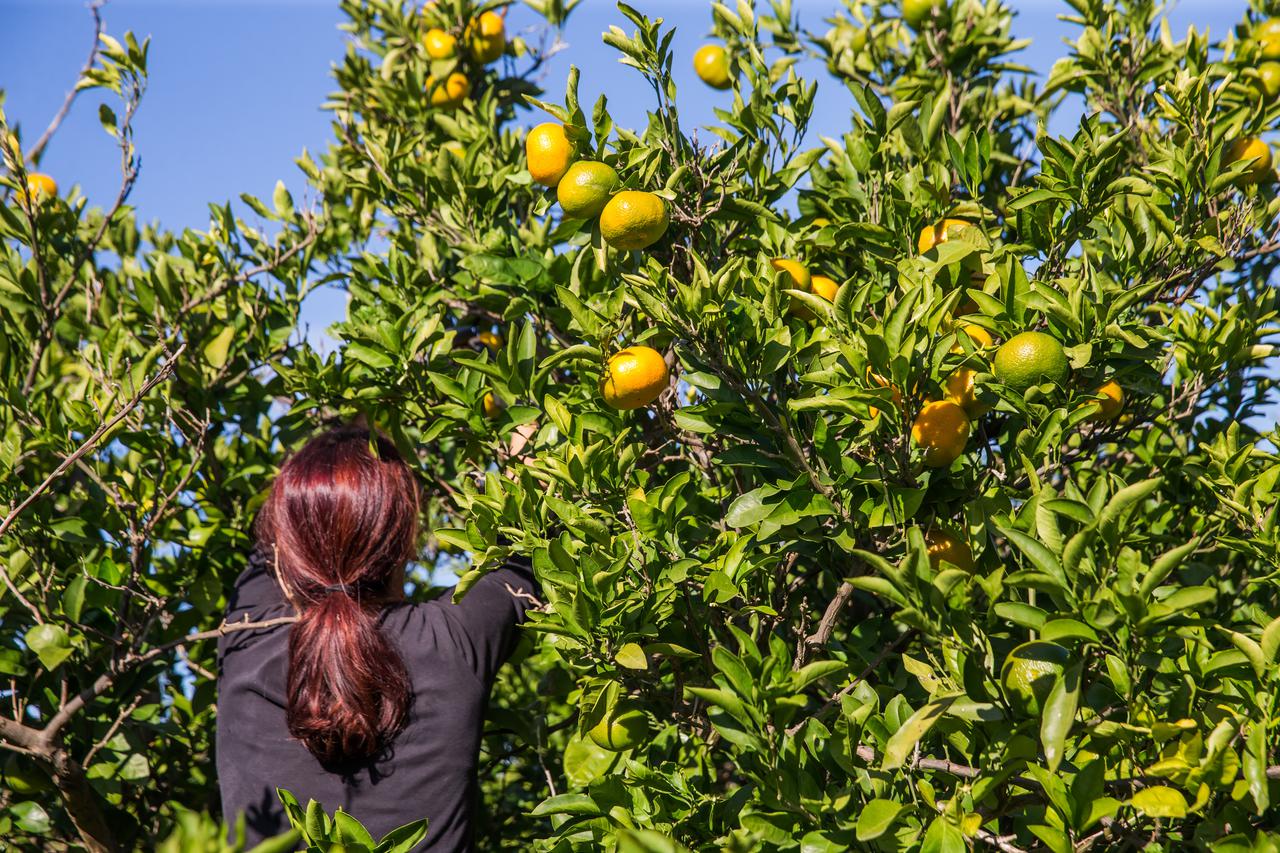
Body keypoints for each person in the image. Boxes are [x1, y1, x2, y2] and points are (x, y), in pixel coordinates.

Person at [216, 426, 538, 851]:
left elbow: (269, 553)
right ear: (406, 540)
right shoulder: (455, 639)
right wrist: (523, 465)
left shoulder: (244, 637)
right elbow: (530, 555)